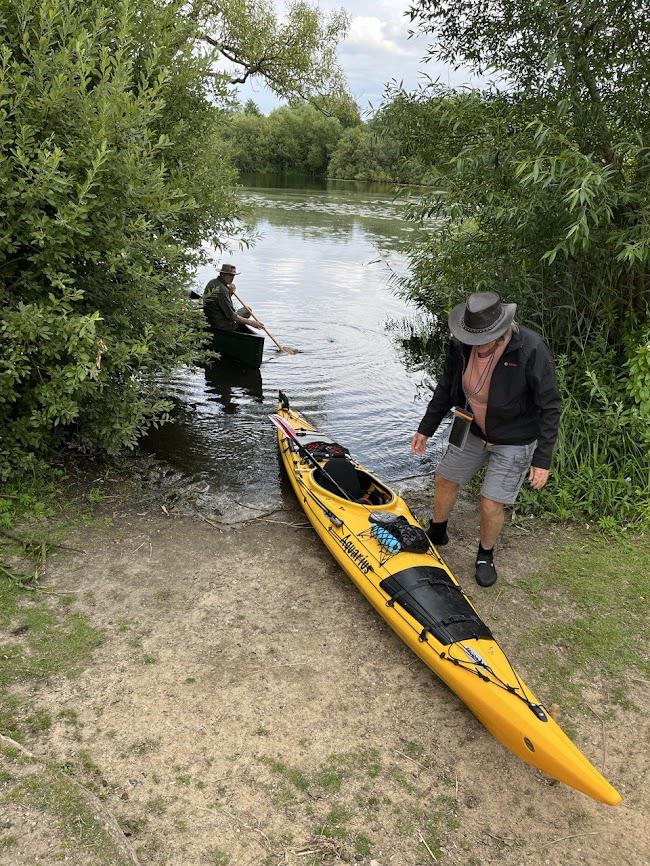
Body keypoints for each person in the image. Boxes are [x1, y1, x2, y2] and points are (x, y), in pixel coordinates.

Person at [411, 291, 561, 587]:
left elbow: (550, 406)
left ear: (501, 330)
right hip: (472, 429)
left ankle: (485, 554)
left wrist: (542, 459)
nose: (474, 345)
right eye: (470, 337)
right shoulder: (460, 345)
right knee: (445, 478)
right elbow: (445, 388)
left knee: (491, 502)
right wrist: (426, 428)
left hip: (515, 438)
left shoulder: (530, 350)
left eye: (481, 339)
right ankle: (437, 532)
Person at [203, 264, 264, 332]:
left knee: (247, 310)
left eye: (233, 275)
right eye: (230, 275)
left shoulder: (212, 282)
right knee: (247, 311)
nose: (232, 278)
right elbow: (231, 316)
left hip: (211, 319)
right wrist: (251, 323)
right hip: (222, 325)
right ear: (222, 274)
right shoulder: (222, 290)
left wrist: (230, 294)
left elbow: (221, 302)